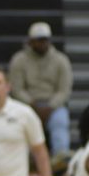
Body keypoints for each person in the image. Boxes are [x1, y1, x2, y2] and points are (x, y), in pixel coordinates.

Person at [8, 22, 73, 161]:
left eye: (45, 40)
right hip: (26, 104)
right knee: (19, 123)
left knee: (60, 122)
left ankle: (61, 160)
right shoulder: (19, 60)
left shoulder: (61, 60)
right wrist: (31, 104)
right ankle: (20, 159)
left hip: (53, 105)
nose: (42, 43)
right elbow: (16, 88)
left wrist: (50, 106)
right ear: (31, 41)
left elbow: (64, 90)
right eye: (39, 40)